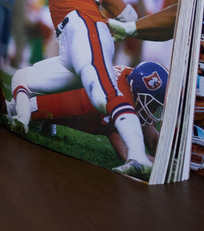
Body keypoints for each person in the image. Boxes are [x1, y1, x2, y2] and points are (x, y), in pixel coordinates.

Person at [0, 0, 152, 178]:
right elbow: (125, 13)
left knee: (102, 95)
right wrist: (127, 28)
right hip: (75, 37)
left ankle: (139, 156)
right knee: (22, 79)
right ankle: (21, 123)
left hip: (83, 27)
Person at [9, 61, 167, 167]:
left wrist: (170, 158)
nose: (152, 111)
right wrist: (162, 169)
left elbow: (151, 135)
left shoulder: (131, 78)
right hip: (45, 100)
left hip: (68, 88)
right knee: (10, 111)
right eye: (152, 105)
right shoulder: (120, 98)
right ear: (137, 92)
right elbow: (129, 154)